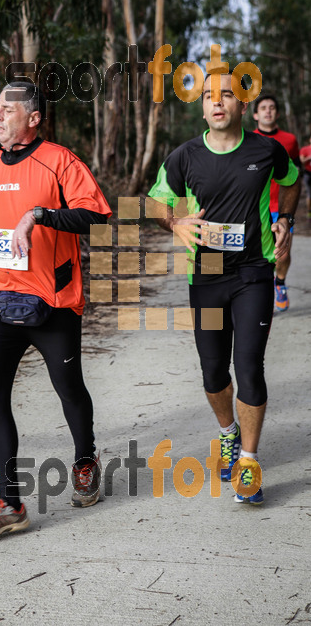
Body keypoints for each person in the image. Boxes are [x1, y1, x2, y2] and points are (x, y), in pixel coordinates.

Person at [0, 82, 111, 537]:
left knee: (69, 389)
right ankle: (10, 502)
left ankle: (85, 459)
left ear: (34, 117)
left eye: (9, 109)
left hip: (53, 301)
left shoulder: (60, 161)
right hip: (1, 296)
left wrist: (41, 214)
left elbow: (96, 214)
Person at [148, 74, 300, 504]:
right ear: (201, 109)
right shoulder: (184, 156)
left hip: (253, 270)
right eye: (209, 97)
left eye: (227, 94)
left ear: (242, 105)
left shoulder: (265, 149)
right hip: (208, 272)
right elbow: (157, 200)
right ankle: (228, 432)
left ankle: (248, 462)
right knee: (214, 371)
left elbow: (291, 180)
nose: (218, 102)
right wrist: (175, 221)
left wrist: (285, 219)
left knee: (249, 365)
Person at [253, 95, 300, 311]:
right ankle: (256, 292)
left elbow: (295, 174)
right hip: (257, 206)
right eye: (263, 108)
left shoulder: (289, 140)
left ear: (278, 113)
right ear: (255, 114)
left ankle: (279, 283)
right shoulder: (248, 140)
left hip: (280, 206)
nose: (268, 111)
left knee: (283, 252)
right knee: (258, 254)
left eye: (272, 108)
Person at [299, 135, 311, 218]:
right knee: (310, 194)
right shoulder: (305, 149)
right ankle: (309, 211)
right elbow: (302, 161)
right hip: (308, 174)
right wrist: (309, 157)